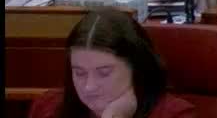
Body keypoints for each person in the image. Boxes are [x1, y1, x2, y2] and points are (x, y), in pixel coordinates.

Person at [28, 8, 194, 118]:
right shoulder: (47, 108)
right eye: (79, 73)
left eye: (104, 73)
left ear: (135, 68)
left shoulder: (174, 114)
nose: (89, 87)